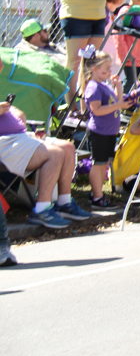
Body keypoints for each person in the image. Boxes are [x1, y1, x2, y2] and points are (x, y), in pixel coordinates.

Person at [0, 57, 91, 232]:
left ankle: (64, 202)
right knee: (54, 153)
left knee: (67, 147)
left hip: (21, 135)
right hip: (5, 141)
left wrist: (13, 111)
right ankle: (41, 209)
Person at [80, 47, 134, 209]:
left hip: (109, 132)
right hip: (99, 132)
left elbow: (116, 103)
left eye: (110, 68)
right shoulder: (93, 87)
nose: (109, 71)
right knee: (99, 164)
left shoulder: (103, 85)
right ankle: (97, 197)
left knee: (103, 164)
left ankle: (97, 193)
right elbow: (96, 110)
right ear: (94, 69)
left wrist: (117, 86)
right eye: (106, 69)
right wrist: (119, 104)